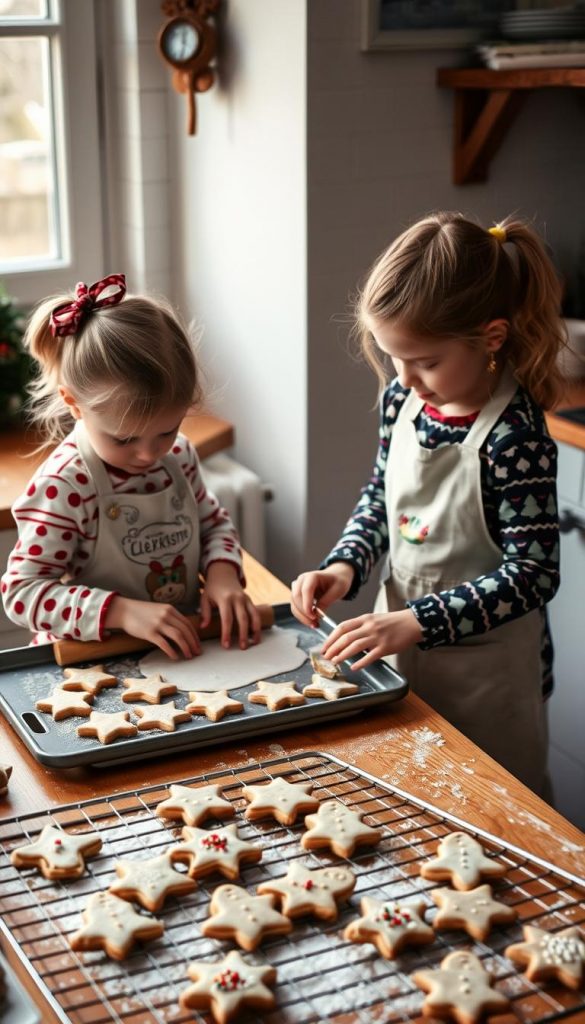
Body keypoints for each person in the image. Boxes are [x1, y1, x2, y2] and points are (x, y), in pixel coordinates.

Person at [291, 212, 566, 796]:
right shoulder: (403, 401)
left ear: (491, 338)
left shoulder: (515, 436)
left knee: (495, 809)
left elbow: (535, 574)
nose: (407, 379)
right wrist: (344, 566)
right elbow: (380, 498)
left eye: (427, 361)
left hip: (489, 678)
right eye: (395, 358)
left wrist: (420, 620)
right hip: (403, 651)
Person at [2, 274, 261, 659]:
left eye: (167, 431)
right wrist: (121, 611)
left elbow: (212, 522)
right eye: (124, 439)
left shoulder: (179, 457)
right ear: (74, 404)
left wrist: (223, 573)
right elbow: (22, 594)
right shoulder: (66, 484)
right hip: (93, 663)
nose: (149, 454)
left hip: (179, 650)